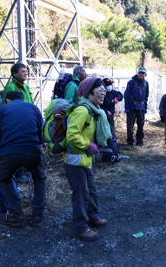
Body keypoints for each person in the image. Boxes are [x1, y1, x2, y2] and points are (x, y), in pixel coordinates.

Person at [64, 77, 111, 241]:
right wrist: (87, 145)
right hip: (75, 160)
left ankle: (93, 217)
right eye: (99, 89)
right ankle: (79, 226)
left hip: (84, 159)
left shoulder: (93, 110)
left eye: (104, 89)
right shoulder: (83, 110)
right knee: (81, 194)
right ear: (88, 92)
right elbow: (72, 135)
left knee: (90, 190)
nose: (103, 91)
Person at [0, 91, 46, 228]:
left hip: (8, 153)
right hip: (32, 151)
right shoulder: (33, 107)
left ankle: (15, 215)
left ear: (8, 100)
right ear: (23, 99)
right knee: (39, 179)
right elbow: (41, 131)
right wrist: (38, 147)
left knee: (4, 179)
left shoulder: (1, 110)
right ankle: (38, 215)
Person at [2, 63, 34, 183]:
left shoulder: (25, 86)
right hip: (16, 123)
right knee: (17, 147)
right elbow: (6, 107)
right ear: (15, 74)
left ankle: (25, 170)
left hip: (27, 121)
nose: (25, 73)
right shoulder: (11, 87)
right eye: (22, 71)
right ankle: (19, 173)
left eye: (26, 71)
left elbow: (30, 103)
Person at [124, 67, 149, 149]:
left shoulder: (146, 84)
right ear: (137, 73)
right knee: (130, 126)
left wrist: (145, 107)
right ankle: (130, 143)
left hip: (141, 108)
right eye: (140, 73)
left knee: (141, 126)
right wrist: (127, 107)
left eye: (143, 73)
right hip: (131, 108)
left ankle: (139, 142)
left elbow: (146, 96)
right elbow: (126, 95)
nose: (141, 75)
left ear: (145, 75)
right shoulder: (131, 83)